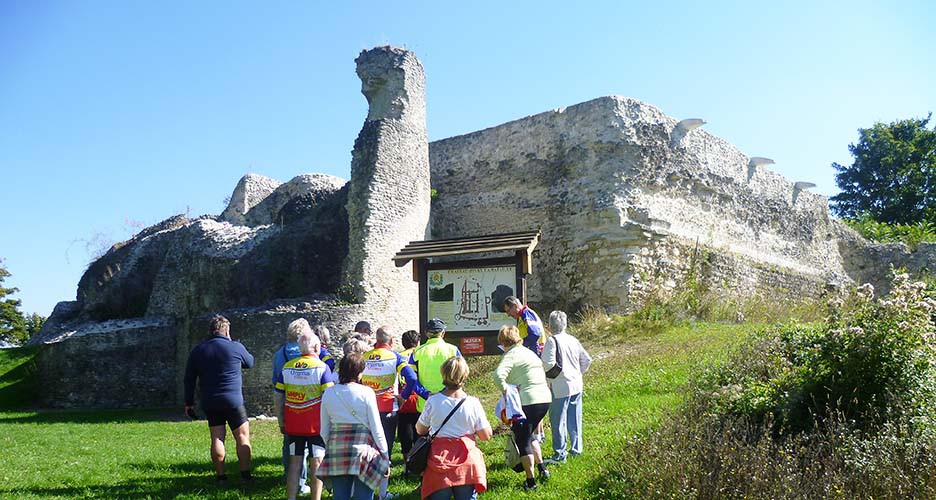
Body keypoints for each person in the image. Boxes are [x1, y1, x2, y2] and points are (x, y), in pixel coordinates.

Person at [183, 315, 255, 486]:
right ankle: (245, 475)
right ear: (227, 330)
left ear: (210, 331)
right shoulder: (235, 347)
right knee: (242, 437)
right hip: (233, 400)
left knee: (217, 438)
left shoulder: (198, 351)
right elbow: (250, 362)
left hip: (211, 400)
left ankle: (221, 477)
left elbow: (189, 379)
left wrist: (189, 403)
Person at [417, 356, 493, 500]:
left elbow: (420, 430)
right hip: (467, 461)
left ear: (443, 374)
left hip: (439, 460)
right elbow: (485, 436)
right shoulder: (473, 403)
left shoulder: (433, 401)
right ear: (465, 375)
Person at [275, 325, 336, 500]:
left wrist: (281, 421)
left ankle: (291, 497)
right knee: (317, 461)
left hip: (294, 425)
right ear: (317, 348)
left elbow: (278, 396)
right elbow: (329, 396)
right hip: (316, 426)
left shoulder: (287, 367)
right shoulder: (322, 368)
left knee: (294, 463)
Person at [319, 353, 390, 500]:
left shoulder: (328, 393)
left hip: (337, 450)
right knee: (364, 496)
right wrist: (384, 454)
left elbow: (324, 430)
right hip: (363, 451)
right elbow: (376, 428)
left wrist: (332, 446)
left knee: (340, 496)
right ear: (359, 372)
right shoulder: (366, 392)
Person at [361, 326, 419, 500]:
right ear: (391, 341)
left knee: (368, 450)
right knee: (385, 450)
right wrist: (403, 397)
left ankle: (365, 491)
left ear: (376, 341)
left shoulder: (364, 357)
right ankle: (383, 493)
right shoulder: (395, 357)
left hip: (366, 409)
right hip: (388, 409)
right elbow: (412, 378)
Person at [492, 324, 552, 491]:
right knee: (530, 434)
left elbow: (498, 376)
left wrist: (507, 391)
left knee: (522, 440)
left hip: (527, 401)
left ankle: (530, 481)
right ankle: (543, 469)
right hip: (544, 399)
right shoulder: (529, 353)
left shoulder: (510, 355)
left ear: (503, 342)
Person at [541, 311, 592, 464]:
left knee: (558, 420)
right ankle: (576, 449)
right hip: (576, 383)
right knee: (574, 418)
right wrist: (577, 372)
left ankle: (559, 453)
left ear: (549, 326)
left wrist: (549, 376)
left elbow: (547, 363)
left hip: (560, 385)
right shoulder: (573, 339)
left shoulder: (552, 341)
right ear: (565, 324)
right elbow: (587, 359)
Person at [271, 318, 312, 494]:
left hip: (290, 403)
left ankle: (293, 479)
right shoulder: (311, 351)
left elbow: (276, 382)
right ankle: (316, 479)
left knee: (291, 444)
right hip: (312, 404)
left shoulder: (281, 354)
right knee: (315, 444)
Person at [402, 318, 462, 414]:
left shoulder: (417, 352)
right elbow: (460, 375)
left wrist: (425, 394)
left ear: (426, 333)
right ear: (443, 333)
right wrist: (443, 392)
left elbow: (411, 378)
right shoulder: (453, 350)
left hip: (425, 404)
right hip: (449, 402)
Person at [396, 329, 422, 471]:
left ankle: (407, 467)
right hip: (418, 398)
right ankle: (418, 466)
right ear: (417, 342)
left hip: (403, 399)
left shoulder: (398, 356)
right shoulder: (419, 355)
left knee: (405, 435)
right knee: (419, 434)